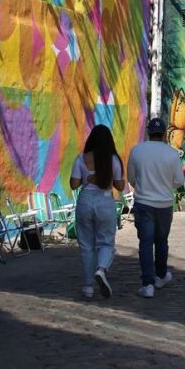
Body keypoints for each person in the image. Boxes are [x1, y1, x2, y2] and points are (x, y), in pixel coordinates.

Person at [128, 118, 185, 298]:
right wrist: (164, 183)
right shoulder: (172, 153)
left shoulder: (137, 151)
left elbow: (131, 178)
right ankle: (160, 275)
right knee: (161, 241)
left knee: (145, 243)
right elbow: (178, 182)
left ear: (148, 132)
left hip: (143, 202)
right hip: (164, 204)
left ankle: (147, 284)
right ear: (164, 134)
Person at [70, 125, 125, 299]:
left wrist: (88, 177)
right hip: (105, 200)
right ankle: (101, 269)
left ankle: (88, 287)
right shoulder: (114, 160)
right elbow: (120, 186)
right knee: (106, 242)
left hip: (85, 199)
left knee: (86, 245)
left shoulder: (80, 158)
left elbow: (74, 184)